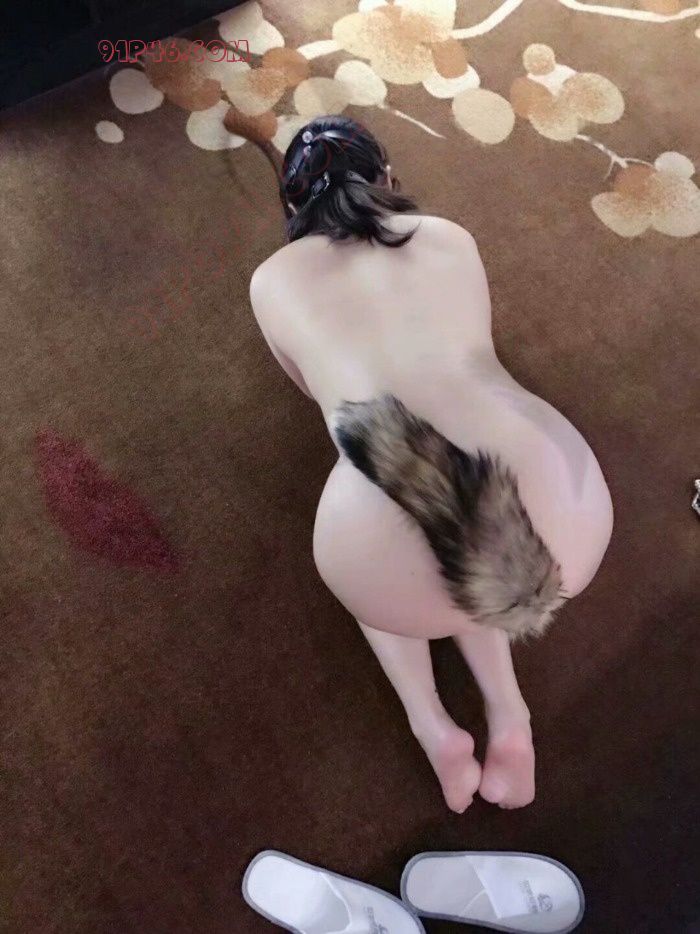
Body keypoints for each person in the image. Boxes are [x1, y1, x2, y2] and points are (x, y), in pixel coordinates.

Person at [248, 115, 613, 813]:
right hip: (564, 510)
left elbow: (309, 386)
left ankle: (432, 725)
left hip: (387, 534)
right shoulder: (449, 236)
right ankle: (511, 717)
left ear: (291, 209)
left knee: (405, 516)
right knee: (473, 516)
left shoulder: (272, 280)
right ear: (388, 178)